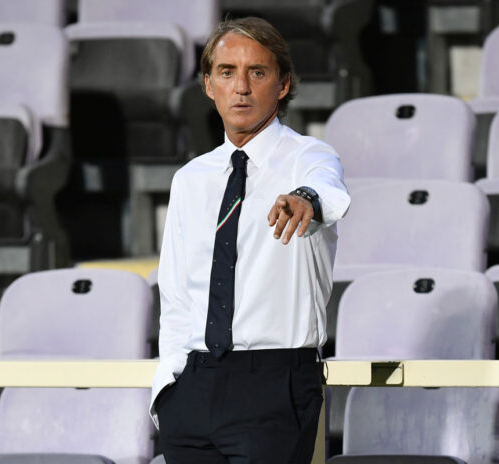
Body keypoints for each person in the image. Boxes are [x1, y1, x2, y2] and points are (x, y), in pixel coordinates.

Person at [150, 16, 350, 464]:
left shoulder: (308, 156)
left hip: (274, 385)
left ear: (283, 85)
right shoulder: (190, 178)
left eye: (257, 72)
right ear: (208, 85)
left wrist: (306, 200)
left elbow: (328, 188)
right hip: (193, 389)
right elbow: (176, 294)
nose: (240, 87)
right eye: (227, 72)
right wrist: (169, 386)